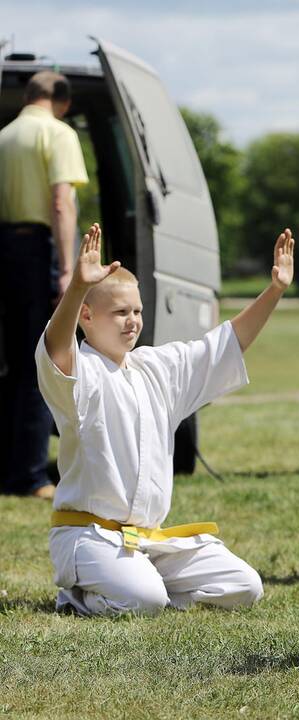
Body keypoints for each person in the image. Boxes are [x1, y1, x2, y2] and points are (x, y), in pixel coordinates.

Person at [36, 223, 295, 616]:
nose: (132, 321)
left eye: (137, 311)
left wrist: (274, 290)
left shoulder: (155, 367)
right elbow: (56, 347)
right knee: (146, 601)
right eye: (120, 312)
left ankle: (142, 581)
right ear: (86, 316)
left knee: (244, 586)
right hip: (88, 536)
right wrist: (75, 289)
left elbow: (224, 345)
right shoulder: (81, 372)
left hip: (146, 540)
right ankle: (79, 598)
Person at [0, 70, 88, 499]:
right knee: (41, 360)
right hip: (38, 252)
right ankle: (31, 475)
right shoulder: (58, 134)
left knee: (12, 363)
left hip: (4, 249)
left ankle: (10, 466)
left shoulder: (4, 136)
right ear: (63, 102)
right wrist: (68, 267)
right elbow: (60, 201)